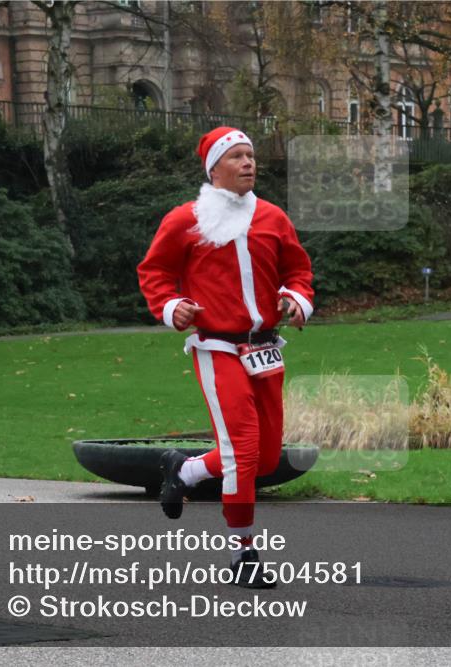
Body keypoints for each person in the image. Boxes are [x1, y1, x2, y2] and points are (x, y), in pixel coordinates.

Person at [136, 126, 315, 589]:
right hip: (217, 346)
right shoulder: (186, 219)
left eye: (251, 155)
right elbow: (154, 271)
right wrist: (173, 307)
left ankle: (187, 469)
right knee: (242, 451)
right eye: (237, 157)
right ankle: (243, 553)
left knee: (268, 454)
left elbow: (298, 269)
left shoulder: (274, 217)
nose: (249, 163)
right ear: (214, 167)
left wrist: (298, 298)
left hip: (265, 347)